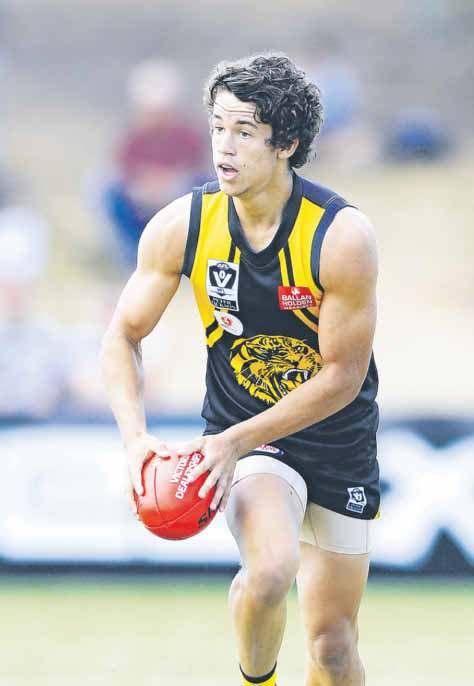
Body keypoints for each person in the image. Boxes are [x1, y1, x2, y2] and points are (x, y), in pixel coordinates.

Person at [102, 53, 379, 686]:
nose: (224, 147)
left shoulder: (341, 237)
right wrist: (136, 439)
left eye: (245, 132)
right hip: (249, 439)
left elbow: (341, 376)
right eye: (217, 127)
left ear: (288, 144)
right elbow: (122, 336)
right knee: (272, 571)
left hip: (337, 439)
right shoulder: (182, 225)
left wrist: (229, 443)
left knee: (334, 648)